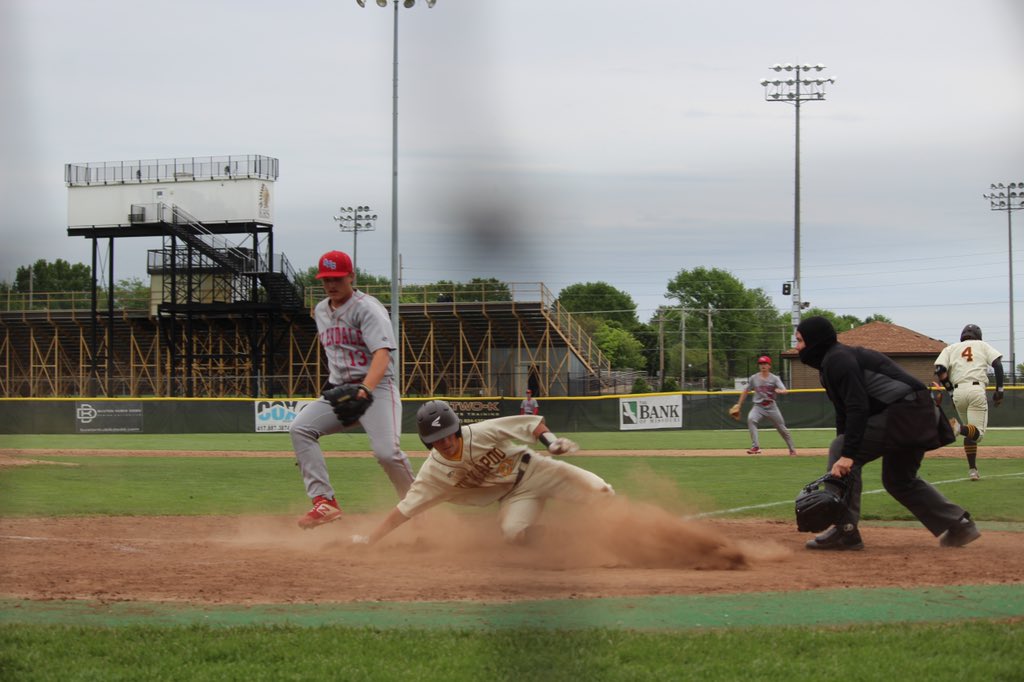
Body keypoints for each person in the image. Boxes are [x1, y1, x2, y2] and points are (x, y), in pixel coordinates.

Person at [795, 315, 979, 551]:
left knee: (841, 449)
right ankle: (958, 525)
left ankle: (845, 530)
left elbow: (857, 407)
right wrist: (846, 446)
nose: (797, 347)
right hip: (917, 412)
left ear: (815, 341)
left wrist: (848, 453)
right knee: (899, 480)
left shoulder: (838, 360)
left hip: (906, 413)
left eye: (800, 340)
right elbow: (845, 415)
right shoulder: (834, 361)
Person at [350, 399, 614, 546]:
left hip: (536, 469)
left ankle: (618, 535)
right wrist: (369, 540)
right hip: (514, 496)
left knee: (602, 492)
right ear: (428, 442)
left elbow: (531, 425)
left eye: (448, 434)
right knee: (513, 533)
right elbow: (404, 511)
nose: (446, 441)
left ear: (456, 428)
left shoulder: (480, 432)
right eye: (437, 438)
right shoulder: (433, 474)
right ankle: (566, 542)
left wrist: (552, 443)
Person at [290, 250, 414, 529]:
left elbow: (382, 354)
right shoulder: (321, 310)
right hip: (340, 389)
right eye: (326, 279)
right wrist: (332, 385)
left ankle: (418, 506)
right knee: (300, 429)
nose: (331, 285)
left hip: (376, 389)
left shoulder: (368, 308)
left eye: (337, 278)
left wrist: (366, 390)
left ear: (351, 277)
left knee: (387, 454)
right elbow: (337, 353)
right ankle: (324, 502)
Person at [934, 324, 1004, 481]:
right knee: (978, 434)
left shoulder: (950, 349)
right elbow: (997, 365)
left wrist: (951, 393)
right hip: (976, 390)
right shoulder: (981, 345)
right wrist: (1000, 391)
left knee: (969, 432)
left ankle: (973, 470)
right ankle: (957, 427)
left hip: (958, 392)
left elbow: (940, 370)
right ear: (978, 336)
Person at [734, 355, 797, 455]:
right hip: (758, 406)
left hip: (771, 406)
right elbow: (746, 390)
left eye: (765, 363)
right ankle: (755, 447)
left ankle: (792, 449)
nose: (763, 365)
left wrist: (780, 391)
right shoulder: (754, 378)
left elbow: (785, 391)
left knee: (782, 428)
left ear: (769, 366)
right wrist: (739, 404)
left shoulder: (774, 378)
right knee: (751, 419)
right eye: (761, 364)